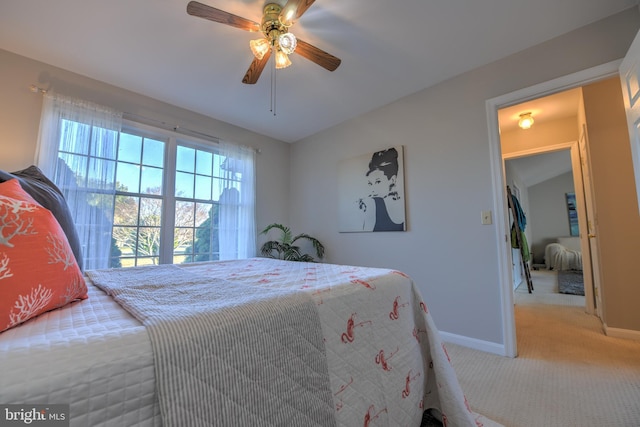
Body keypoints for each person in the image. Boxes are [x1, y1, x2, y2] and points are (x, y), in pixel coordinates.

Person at [358, 147, 405, 231]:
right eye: (370, 183)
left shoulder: (404, 202)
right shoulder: (371, 203)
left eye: (378, 182)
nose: (373, 189)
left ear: (392, 180)